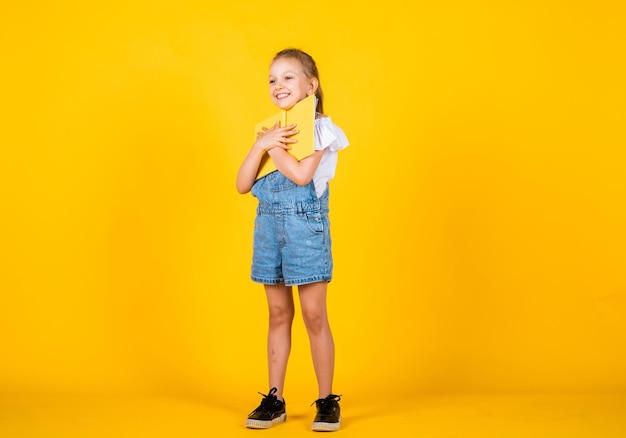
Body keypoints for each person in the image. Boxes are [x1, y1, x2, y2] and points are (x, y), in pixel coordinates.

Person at [236, 48, 349, 432]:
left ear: (310, 85)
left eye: (287, 77)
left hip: (305, 228)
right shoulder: (269, 132)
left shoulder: (321, 128)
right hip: (269, 229)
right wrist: (259, 145)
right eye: (272, 79)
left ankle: (326, 400)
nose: (277, 85)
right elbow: (242, 184)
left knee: (314, 315)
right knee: (278, 314)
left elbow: (301, 176)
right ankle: (275, 399)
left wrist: (272, 146)